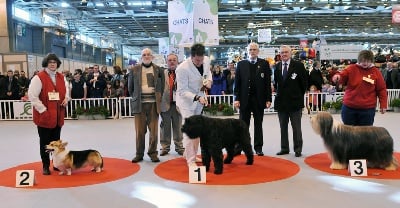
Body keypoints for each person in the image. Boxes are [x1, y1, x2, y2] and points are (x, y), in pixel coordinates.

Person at [28, 53, 70, 175]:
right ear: (46, 63)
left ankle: (56, 164)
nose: (52, 64)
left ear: (57, 64)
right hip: (44, 117)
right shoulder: (38, 78)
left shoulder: (62, 77)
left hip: (58, 116)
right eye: (50, 62)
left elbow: (67, 91)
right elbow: (32, 96)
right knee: (45, 144)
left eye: (55, 62)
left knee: (57, 143)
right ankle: (45, 165)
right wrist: (43, 110)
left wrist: (66, 99)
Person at [176, 43, 212, 166]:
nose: (200, 62)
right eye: (197, 60)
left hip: (200, 98)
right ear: (191, 56)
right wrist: (196, 97)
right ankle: (190, 161)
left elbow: (207, 74)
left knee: (198, 130)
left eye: (201, 59)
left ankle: (190, 154)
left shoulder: (206, 60)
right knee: (190, 130)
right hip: (186, 102)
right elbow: (181, 91)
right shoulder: (182, 68)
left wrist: (208, 82)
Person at [233, 42, 272, 156]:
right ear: (247, 51)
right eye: (250, 49)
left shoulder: (264, 64)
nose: (252, 51)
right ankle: (239, 147)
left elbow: (267, 83)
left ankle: (258, 147)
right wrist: (237, 98)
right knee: (242, 125)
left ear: (258, 51)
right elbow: (237, 83)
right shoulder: (240, 64)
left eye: (254, 49)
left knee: (258, 125)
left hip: (259, 100)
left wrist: (268, 99)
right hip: (244, 100)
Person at [128, 48, 164, 163]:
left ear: (152, 57)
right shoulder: (134, 70)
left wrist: (158, 98)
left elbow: (162, 87)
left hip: (154, 104)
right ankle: (139, 154)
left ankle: (153, 153)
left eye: (149, 54)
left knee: (154, 132)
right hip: (139, 105)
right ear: (141, 57)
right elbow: (130, 88)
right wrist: (137, 97)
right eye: (144, 54)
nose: (146, 56)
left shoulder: (158, 69)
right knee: (140, 131)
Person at [273, 45, 308, 157]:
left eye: (286, 52)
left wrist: (297, 96)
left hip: (295, 103)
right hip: (281, 103)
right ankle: (284, 148)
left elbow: (304, 84)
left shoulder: (299, 66)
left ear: (290, 53)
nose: (284, 54)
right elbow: (276, 84)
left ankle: (298, 149)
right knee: (283, 128)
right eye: (282, 52)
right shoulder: (277, 67)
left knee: (296, 128)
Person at [337, 50, 387, 126]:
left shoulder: (376, 72)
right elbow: (342, 76)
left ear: (371, 61)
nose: (365, 63)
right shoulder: (351, 68)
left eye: (368, 61)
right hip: (349, 107)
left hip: (367, 110)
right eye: (363, 61)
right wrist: (337, 77)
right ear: (359, 60)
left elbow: (381, 89)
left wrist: (383, 105)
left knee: (365, 135)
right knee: (348, 134)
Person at [159, 53, 185, 156]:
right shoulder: (162, 73)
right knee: (165, 127)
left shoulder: (182, 73)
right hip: (165, 104)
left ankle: (179, 147)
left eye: (174, 60)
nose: (172, 62)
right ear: (166, 62)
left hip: (178, 105)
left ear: (177, 61)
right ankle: (165, 147)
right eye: (170, 60)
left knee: (178, 127)